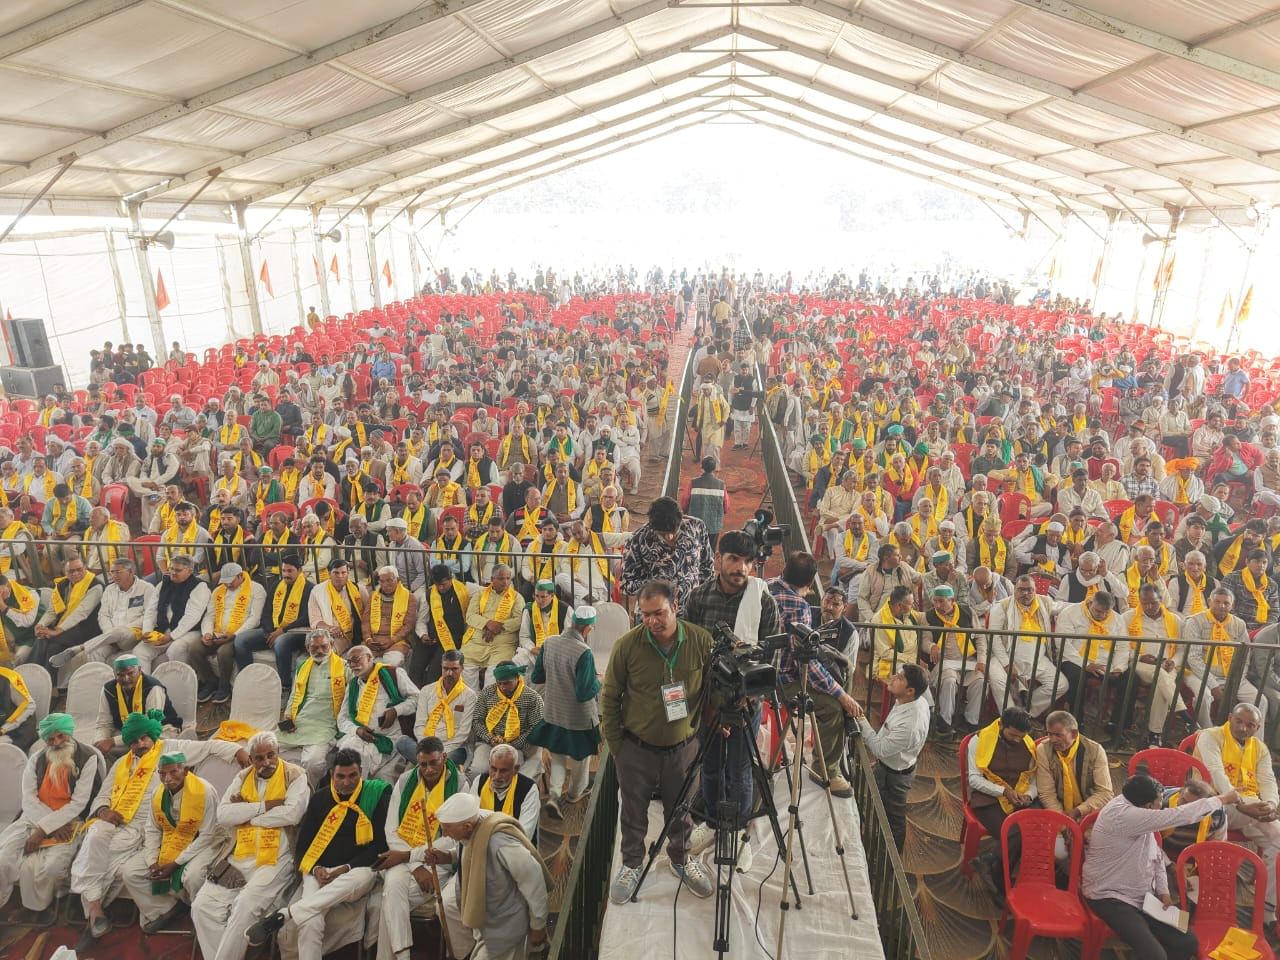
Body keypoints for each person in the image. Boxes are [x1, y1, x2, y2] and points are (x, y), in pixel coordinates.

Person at [71, 709, 246, 948]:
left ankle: (94, 914)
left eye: (144, 737)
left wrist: (238, 751)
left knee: (103, 860)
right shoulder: (122, 763)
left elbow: (210, 747)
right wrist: (103, 811)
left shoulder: (169, 749)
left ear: (153, 735)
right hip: (117, 823)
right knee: (94, 838)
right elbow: (102, 796)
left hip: (150, 828)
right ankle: (100, 910)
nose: (140, 743)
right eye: (134, 740)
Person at [603, 579, 715, 903]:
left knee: (680, 810)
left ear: (675, 607)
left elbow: (712, 686)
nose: (652, 620)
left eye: (659, 613)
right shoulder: (627, 645)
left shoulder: (699, 641)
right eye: (646, 614)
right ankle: (632, 864)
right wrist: (616, 747)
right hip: (636, 749)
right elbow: (610, 697)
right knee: (633, 810)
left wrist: (709, 721)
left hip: (683, 748)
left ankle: (680, 858)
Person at [245, 748, 392, 958]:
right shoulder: (319, 799)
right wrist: (316, 870)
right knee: (310, 920)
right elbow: (303, 846)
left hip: (355, 872)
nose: (347, 782)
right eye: (340, 776)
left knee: (361, 876)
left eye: (353, 776)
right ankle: (295, 918)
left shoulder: (375, 795)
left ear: (361, 772)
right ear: (332, 774)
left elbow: (380, 846)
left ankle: (285, 914)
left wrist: (344, 868)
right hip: (318, 870)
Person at [1083, 774, 1236, 960]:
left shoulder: (1137, 810)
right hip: (1109, 896)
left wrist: (1163, 892)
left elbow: (1155, 856)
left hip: (1143, 897)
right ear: (1148, 806)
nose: (1162, 804)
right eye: (1159, 801)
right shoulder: (1124, 815)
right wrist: (1222, 799)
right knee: (1154, 955)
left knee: (1188, 943)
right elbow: (1180, 815)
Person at [191, 730, 310, 960]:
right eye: (259, 758)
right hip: (238, 856)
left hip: (275, 859)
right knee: (201, 907)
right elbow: (224, 814)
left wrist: (246, 815)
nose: (266, 762)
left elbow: (292, 814)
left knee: (244, 907)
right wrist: (264, 806)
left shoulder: (296, 775)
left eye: (271, 755)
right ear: (251, 759)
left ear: (278, 753)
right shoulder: (243, 776)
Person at [374, 735, 469, 960]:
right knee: (393, 886)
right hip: (406, 859)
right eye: (423, 764)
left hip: (438, 860)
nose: (428, 770)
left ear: (444, 758)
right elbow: (391, 830)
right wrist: (415, 863)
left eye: (433, 762)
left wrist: (410, 856)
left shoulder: (462, 784)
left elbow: (455, 837)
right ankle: (404, 956)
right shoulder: (406, 780)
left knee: (391, 896)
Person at [0, 714, 105, 917]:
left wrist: (45, 829)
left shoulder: (88, 757)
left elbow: (79, 802)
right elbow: (28, 800)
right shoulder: (36, 759)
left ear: (69, 733)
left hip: (70, 821)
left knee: (51, 869)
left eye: (61, 736)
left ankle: (41, 908)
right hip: (32, 818)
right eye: (50, 739)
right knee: (3, 860)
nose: (56, 743)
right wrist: (47, 826)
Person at [430, 790, 550, 960]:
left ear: (467, 827)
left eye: (447, 828)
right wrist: (448, 856)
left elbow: (533, 879)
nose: (445, 833)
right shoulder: (474, 825)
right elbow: (470, 850)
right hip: (489, 923)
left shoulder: (499, 841)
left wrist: (539, 924)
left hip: (507, 926)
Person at [1194, 702, 1280, 923]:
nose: (1243, 728)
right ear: (1230, 717)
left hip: (1247, 807)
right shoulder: (1209, 736)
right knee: (1227, 809)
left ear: (1257, 727)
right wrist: (1241, 805)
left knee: (1278, 837)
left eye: (1250, 725)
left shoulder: (1259, 748)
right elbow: (1215, 774)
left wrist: (1270, 804)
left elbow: (1268, 780)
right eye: (1239, 721)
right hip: (1210, 802)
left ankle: (1267, 910)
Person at [118, 751, 222, 933]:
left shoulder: (205, 791)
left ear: (186, 770)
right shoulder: (157, 794)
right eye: (162, 773)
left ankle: (202, 919)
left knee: (193, 876)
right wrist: (152, 861)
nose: (167, 778)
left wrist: (176, 863)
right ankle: (167, 909)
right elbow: (152, 828)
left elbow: (207, 835)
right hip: (170, 839)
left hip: (202, 843)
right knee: (130, 872)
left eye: (173, 772)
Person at [529, 606, 601, 818]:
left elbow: (537, 677)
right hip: (578, 717)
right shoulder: (584, 652)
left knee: (558, 754)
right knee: (582, 757)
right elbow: (584, 692)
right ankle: (574, 794)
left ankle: (553, 795)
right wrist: (598, 682)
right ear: (588, 628)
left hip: (553, 710)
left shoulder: (549, 642)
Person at [851, 663, 931, 852]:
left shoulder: (909, 724)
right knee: (880, 806)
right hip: (892, 763)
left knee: (894, 817)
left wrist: (861, 719)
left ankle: (891, 858)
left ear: (910, 691)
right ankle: (877, 840)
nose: (894, 677)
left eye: (900, 678)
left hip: (896, 775)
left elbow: (879, 748)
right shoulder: (912, 701)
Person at [966, 707, 1038, 897]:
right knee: (1014, 833)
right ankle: (999, 883)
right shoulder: (979, 740)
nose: (1016, 740)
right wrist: (1003, 791)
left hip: (1018, 797)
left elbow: (1034, 780)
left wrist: (1029, 795)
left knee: (1034, 828)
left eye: (1020, 736)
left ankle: (989, 861)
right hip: (987, 799)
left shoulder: (1029, 745)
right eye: (1012, 735)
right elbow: (973, 779)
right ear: (1001, 725)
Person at [277, 629, 351, 786]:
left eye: (324, 646)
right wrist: (288, 716)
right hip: (301, 721)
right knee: (266, 747)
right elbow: (294, 695)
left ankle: (309, 792)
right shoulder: (303, 666)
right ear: (307, 648)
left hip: (326, 724)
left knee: (313, 762)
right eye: (314, 648)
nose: (319, 651)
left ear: (331, 644)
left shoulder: (344, 667)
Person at [336, 644, 419, 778]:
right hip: (360, 737)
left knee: (360, 761)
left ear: (369, 658)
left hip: (389, 739)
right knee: (348, 756)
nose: (352, 665)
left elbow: (417, 698)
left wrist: (396, 710)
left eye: (356, 659)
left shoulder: (393, 673)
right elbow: (342, 718)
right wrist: (357, 730)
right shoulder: (353, 685)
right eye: (349, 662)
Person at [618, 496, 714, 613]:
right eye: (662, 534)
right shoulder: (637, 539)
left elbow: (707, 567)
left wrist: (704, 598)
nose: (669, 537)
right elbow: (626, 584)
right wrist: (656, 585)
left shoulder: (697, 527)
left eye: (674, 531)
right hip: (654, 615)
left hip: (692, 612)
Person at [1185, 587, 1263, 728]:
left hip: (1233, 676)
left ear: (1232, 606)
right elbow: (1193, 659)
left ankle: (1253, 742)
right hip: (1199, 674)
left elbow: (1244, 655)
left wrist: (1237, 678)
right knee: (1204, 697)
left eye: (1226, 603)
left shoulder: (1239, 624)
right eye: (1217, 601)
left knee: (1260, 700)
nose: (1221, 606)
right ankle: (1207, 732)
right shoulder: (1195, 622)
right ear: (1209, 602)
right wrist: (1213, 685)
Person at [191, 562, 266, 703]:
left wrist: (234, 634)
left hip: (239, 633)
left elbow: (255, 618)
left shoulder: (256, 589)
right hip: (217, 632)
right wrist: (207, 633)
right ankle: (211, 681)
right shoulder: (218, 591)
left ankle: (224, 686)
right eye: (224, 582)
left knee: (223, 652)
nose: (227, 585)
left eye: (230, 582)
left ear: (240, 576)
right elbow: (209, 615)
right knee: (194, 649)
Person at [237, 553, 314, 685]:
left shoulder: (309, 588)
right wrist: (269, 631)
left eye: (290, 571)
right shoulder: (277, 585)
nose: (286, 574)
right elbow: (266, 611)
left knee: (281, 643)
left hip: (296, 632)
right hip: (273, 630)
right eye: (284, 570)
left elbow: (306, 618)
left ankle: (285, 685)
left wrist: (282, 631)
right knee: (241, 640)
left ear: (300, 571)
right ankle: (248, 681)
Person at [986, 575, 1058, 716]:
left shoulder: (1044, 602)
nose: (1025, 593)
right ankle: (1010, 719)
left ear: (1035, 590)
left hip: (1038, 660)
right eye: (1021, 590)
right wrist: (1007, 663)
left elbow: (1063, 607)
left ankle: (1024, 713)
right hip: (1005, 657)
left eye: (1029, 590)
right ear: (1014, 590)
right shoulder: (1002, 607)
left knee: (1060, 684)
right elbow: (994, 638)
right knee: (998, 680)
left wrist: (1086, 604)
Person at [92, 652, 183, 755]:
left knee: (145, 745)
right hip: (126, 731)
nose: (126, 679)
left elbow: (150, 726)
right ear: (114, 674)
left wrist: (113, 741)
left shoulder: (152, 687)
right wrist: (99, 741)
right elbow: (103, 724)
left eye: (130, 673)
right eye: (120, 675)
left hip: (160, 729)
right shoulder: (108, 689)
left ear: (139, 670)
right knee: (98, 748)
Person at [924, 584, 985, 731]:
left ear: (952, 600)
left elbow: (980, 637)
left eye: (942, 601)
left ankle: (971, 721)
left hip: (968, 661)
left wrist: (982, 659)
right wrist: (931, 646)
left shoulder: (968, 612)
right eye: (935, 601)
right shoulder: (929, 616)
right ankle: (946, 721)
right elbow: (924, 640)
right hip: (944, 662)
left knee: (980, 681)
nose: (938, 605)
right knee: (949, 680)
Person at [470, 660, 544, 779]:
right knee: (477, 771)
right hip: (489, 742)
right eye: (499, 683)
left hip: (519, 746)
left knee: (509, 774)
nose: (502, 687)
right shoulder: (487, 693)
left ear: (517, 677)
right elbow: (477, 721)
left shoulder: (532, 698)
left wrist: (511, 744)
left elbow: (536, 728)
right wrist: (490, 739)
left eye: (507, 683)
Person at [1034, 710, 1114, 820]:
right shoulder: (1043, 750)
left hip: (1089, 808)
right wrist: (1062, 820)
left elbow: (1105, 792)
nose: (1052, 740)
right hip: (1057, 809)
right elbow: (1046, 793)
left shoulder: (1095, 750)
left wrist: (1078, 811)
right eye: (1049, 734)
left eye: (1058, 735)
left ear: (1074, 733)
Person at [31, 555, 104, 669]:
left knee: (53, 646)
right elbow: (52, 610)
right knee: (41, 639)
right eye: (71, 571)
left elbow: (81, 613)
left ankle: (50, 682)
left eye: (79, 569)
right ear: (65, 572)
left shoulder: (95, 585)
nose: (75, 574)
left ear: (85, 568)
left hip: (85, 628)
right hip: (65, 626)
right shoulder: (62, 584)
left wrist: (57, 631)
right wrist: (41, 625)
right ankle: (32, 674)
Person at [411, 648, 477, 768]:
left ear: (462, 668)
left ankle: (427, 763)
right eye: (445, 669)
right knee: (402, 742)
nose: (449, 673)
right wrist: (427, 748)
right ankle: (430, 762)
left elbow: (463, 733)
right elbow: (419, 724)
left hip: (452, 748)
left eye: (454, 669)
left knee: (453, 756)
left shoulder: (470, 696)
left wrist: (440, 752)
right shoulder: (427, 690)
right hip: (426, 745)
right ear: (441, 667)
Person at [461, 564, 523, 689]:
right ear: (492, 579)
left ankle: (488, 705)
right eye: (501, 578)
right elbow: (470, 616)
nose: (505, 582)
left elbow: (520, 620)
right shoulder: (479, 594)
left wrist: (499, 626)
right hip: (477, 642)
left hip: (503, 644)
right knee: (466, 669)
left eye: (508, 578)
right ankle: (472, 705)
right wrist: (488, 624)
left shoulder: (516, 597)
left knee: (494, 676)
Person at [470, 741, 541, 840]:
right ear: (489, 764)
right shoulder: (479, 782)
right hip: (482, 842)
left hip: (515, 848)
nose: (497, 776)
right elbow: (471, 819)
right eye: (494, 769)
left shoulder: (529, 789)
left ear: (515, 769)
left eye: (503, 771)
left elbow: (524, 835)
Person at [363, 565, 418, 667]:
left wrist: (392, 641)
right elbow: (365, 621)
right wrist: (368, 639)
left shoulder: (409, 597)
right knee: (361, 662)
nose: (385, 584)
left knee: (391, 664)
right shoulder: (373, 596)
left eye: (389, 580)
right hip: (374, 642)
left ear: (397, 580)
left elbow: (408, 625)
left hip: (397, 642)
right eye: (382, 581)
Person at [683, 456, 728, 550]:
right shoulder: (721, 485)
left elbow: (685, 501)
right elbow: (726, 506)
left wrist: (686, 511)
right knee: (710, 550)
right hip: (714, 524)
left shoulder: (693, 483)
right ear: (714, 468)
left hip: (695, 524)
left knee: (695, 549)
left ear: (702, 467)